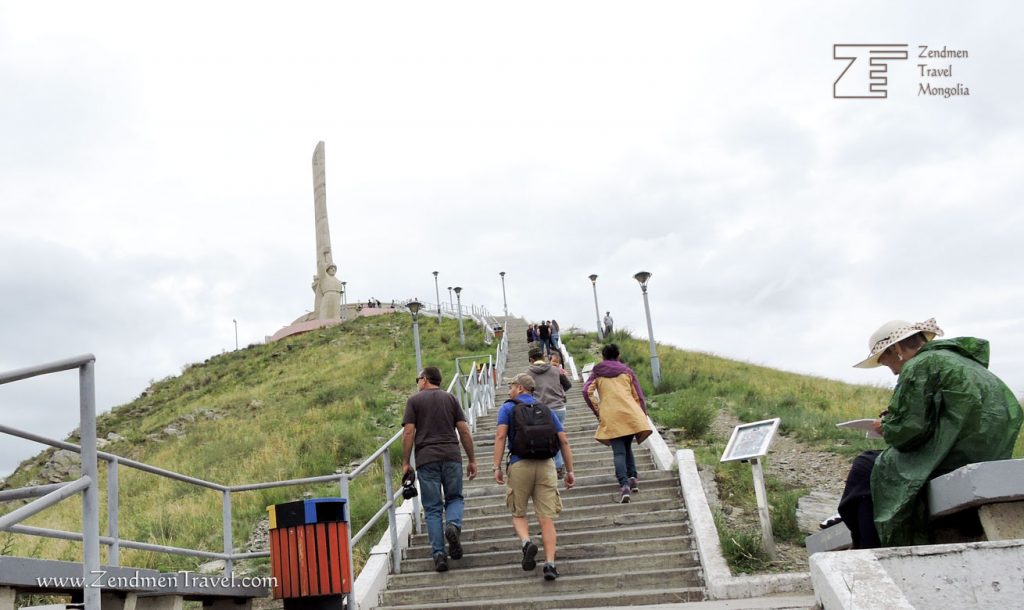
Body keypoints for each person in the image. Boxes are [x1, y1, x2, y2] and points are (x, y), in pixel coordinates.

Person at [838, 318, 1022, 548]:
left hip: (951, 457)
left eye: (887, 364)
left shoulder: (919, 365)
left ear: (896, 349)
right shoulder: (965, 362)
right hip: (987, 452)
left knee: (865, 467)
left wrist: (887, 427)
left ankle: (873, 552)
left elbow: (910, 431)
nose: (894, 372)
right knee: (871, 467)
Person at [493, 373, 575, 580]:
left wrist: (496, 466)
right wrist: (570, 470)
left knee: (518, 513)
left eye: (511, 385)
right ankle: (550, 564)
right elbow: (563, 441)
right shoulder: (545, 409)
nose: (509, 390)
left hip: (520, 464)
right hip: (547, 465)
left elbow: (501, 436)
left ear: (520, 388)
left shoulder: (508, 408)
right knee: (546, 519)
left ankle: (527, 542)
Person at [402, 367, 478, 572]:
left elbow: (408, 432)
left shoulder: (414, 401)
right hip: (451, 456)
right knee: (454, 498)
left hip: (427, 459)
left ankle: (439, 556)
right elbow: (463, 430)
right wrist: (472, 459)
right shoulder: (451, 399)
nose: (417, 382)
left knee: (433, 508)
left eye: (418, 378)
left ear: (425, 380)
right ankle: (452, 525)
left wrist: (405, 463)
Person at [582, 343, 652, 503]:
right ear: (618, 355)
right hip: (630, 413)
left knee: (619, 452)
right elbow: (638, 395)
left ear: (603, 356)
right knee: (627, 446)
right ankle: (633, 477)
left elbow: (586, 391)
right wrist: (642, 415)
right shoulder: (627, 371)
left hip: (611, 415)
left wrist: (597, 410)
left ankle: (624, 485)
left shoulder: (597, 373)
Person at [527, 346, 573, 479]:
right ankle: (559, 466)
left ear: (531, 359)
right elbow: (568, 385)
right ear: (543, 357)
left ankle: (549, 466)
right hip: (559, 408)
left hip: (541, 410)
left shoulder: (527, 374)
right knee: (559, 437)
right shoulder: (555, 369)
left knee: (544, 438)